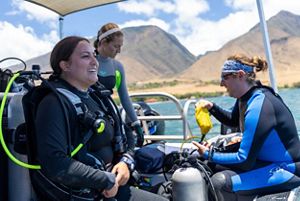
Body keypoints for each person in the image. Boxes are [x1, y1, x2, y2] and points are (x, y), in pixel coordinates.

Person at [34, 36, 168, 201]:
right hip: (82, 194)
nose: (94, 61)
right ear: (65, 65)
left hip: (111, 186)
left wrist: (126, 162)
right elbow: (55, 164)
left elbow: (127, 135)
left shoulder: (99, 98)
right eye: (85, 56)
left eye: (93, 55)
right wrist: (105, 180)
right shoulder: (53, 104)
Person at [192, 54, 300, 201]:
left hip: (285, 169)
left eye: (225, 77)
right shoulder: (246, 98)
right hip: (264, 162)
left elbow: (244, 160)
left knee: (220, 182)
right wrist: (212, 108)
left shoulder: (260, 104)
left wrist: (208, 154)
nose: (221, 83)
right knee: (207, 165)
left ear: (240, 75)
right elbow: (233, 120)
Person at [93, 22, 144, 147]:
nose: (119, 51)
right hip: (92, 116)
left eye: (121, 46)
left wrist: (136, 123)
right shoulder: (88, 61)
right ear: (103, 42)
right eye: (116, 46)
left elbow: (124, 96)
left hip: (109, 113)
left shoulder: (117, 67)